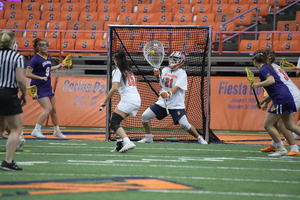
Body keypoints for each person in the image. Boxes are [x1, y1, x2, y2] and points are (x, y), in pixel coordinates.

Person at [138, 51, 208, 144]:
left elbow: (177, 87)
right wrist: (157, 76)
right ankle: (148, 137)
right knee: (145, 116)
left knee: (185, 124)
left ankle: (199, 138)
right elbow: (161, 82)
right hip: (163, 102)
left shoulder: (182, 73)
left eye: (175, 60)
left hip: (176, 104)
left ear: (181, 62)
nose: (172, 61)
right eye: (171, 59)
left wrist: (169, 93)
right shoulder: (165, 70)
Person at [251, 49, 300, 156]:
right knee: (290, 125)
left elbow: (271, 81)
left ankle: (281, 148)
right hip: (287, 96)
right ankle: (280, 146)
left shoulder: (264, 69)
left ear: (255, 60)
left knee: (268, 124)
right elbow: (275, 87)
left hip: (281, 98)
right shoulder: (270, 68)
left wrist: (256, 85)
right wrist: (263, 101)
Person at [100, 49, 140, 153]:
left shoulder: (117, 71)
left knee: (114, 122)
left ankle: (127, 142)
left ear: (116, 59)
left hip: (128, 100)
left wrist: (105, 102)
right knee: (113, 122)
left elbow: (114, 88)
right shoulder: (129, 70)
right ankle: (119, 145)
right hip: (135, 99)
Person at [25, 38, 66, 139]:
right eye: (41, 45)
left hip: (47, 85)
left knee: (53, 110)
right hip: (38, 86)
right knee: (48, 108)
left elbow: (46, 69)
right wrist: (40, 77)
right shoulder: (35, 59)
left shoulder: (48, 57)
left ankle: (57, 131)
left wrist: (57, 66)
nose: (44, 47)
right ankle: (36, 130)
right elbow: (28, 74)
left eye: (46, 45)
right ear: (37, 47)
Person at [0, 30, 26, 170]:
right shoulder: (17, 57)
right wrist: (25, 94)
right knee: (16, 129)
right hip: (8, 93)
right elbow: (20, 79)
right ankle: (8, 161)